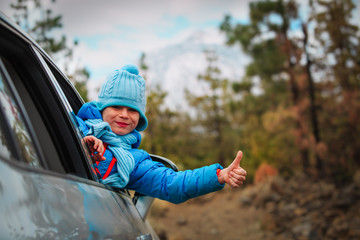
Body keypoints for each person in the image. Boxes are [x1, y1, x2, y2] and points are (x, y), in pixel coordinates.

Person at [76, 64, 247, 204]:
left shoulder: (135, 162)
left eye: (132, 110)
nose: (124, 115)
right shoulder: (76, 126)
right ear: (102, 108)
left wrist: (219, 175)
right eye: (116, 107)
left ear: (140, 117)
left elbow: (171, 184)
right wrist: (83, 144)